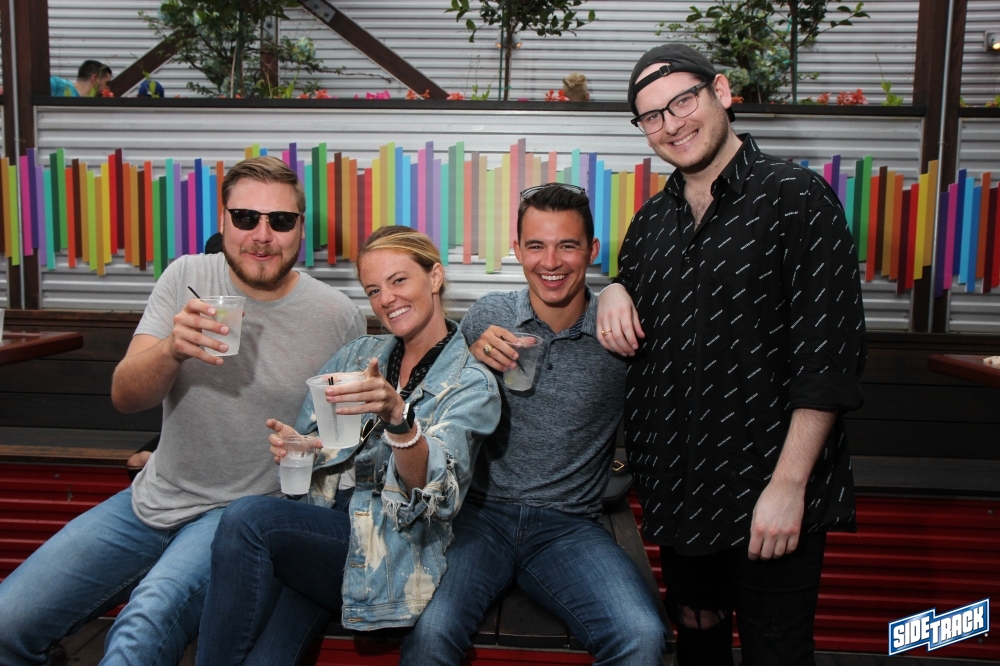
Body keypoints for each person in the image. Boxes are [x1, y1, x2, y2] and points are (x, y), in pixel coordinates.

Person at [0, 156, 367, 666]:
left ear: (301, 229)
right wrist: (171, 349)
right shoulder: (186, 277)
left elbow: (348, 440)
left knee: (139, 631)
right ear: (223, 221)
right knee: (7, 624)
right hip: (150, 500)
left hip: (237, 519)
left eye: (281, 221)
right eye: (246, 218)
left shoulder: (337, 316)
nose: (262, 236)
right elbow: (126, 396)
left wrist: (313, 447)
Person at [596, 44, 867, 665]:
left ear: (720, 92)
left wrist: (788, 486)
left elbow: (828, 363)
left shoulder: (796, 197)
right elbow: (637, 301)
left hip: (769, 487)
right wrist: (612, 288)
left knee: (776, 649)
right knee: (697, 636)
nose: (671, 125)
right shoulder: (649, 223)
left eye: (682, 102)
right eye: (652, 116)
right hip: (678, 488)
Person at [195, 226, 502, 665]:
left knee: (246, 519)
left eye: (399, 280)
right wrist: (300, 448)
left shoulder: (471, 382)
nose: (387, 299)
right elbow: (312, 451)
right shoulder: (358, 355)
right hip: (324, 530)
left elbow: (432, 495)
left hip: (393, 549)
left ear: (434, 276)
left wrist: (398, 418)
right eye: (374, 290)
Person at [399, 183, 666, 666]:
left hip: (570, 526)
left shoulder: (618, 329)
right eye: (537, 246)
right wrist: (469, 360)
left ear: (592, 250)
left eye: (568, 245)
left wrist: (618, 289)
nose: (551, 262)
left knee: (642, 636)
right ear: (517, 249)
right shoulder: (489, 315)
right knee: (430, 632)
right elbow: (432, 409)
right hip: (479, 517)